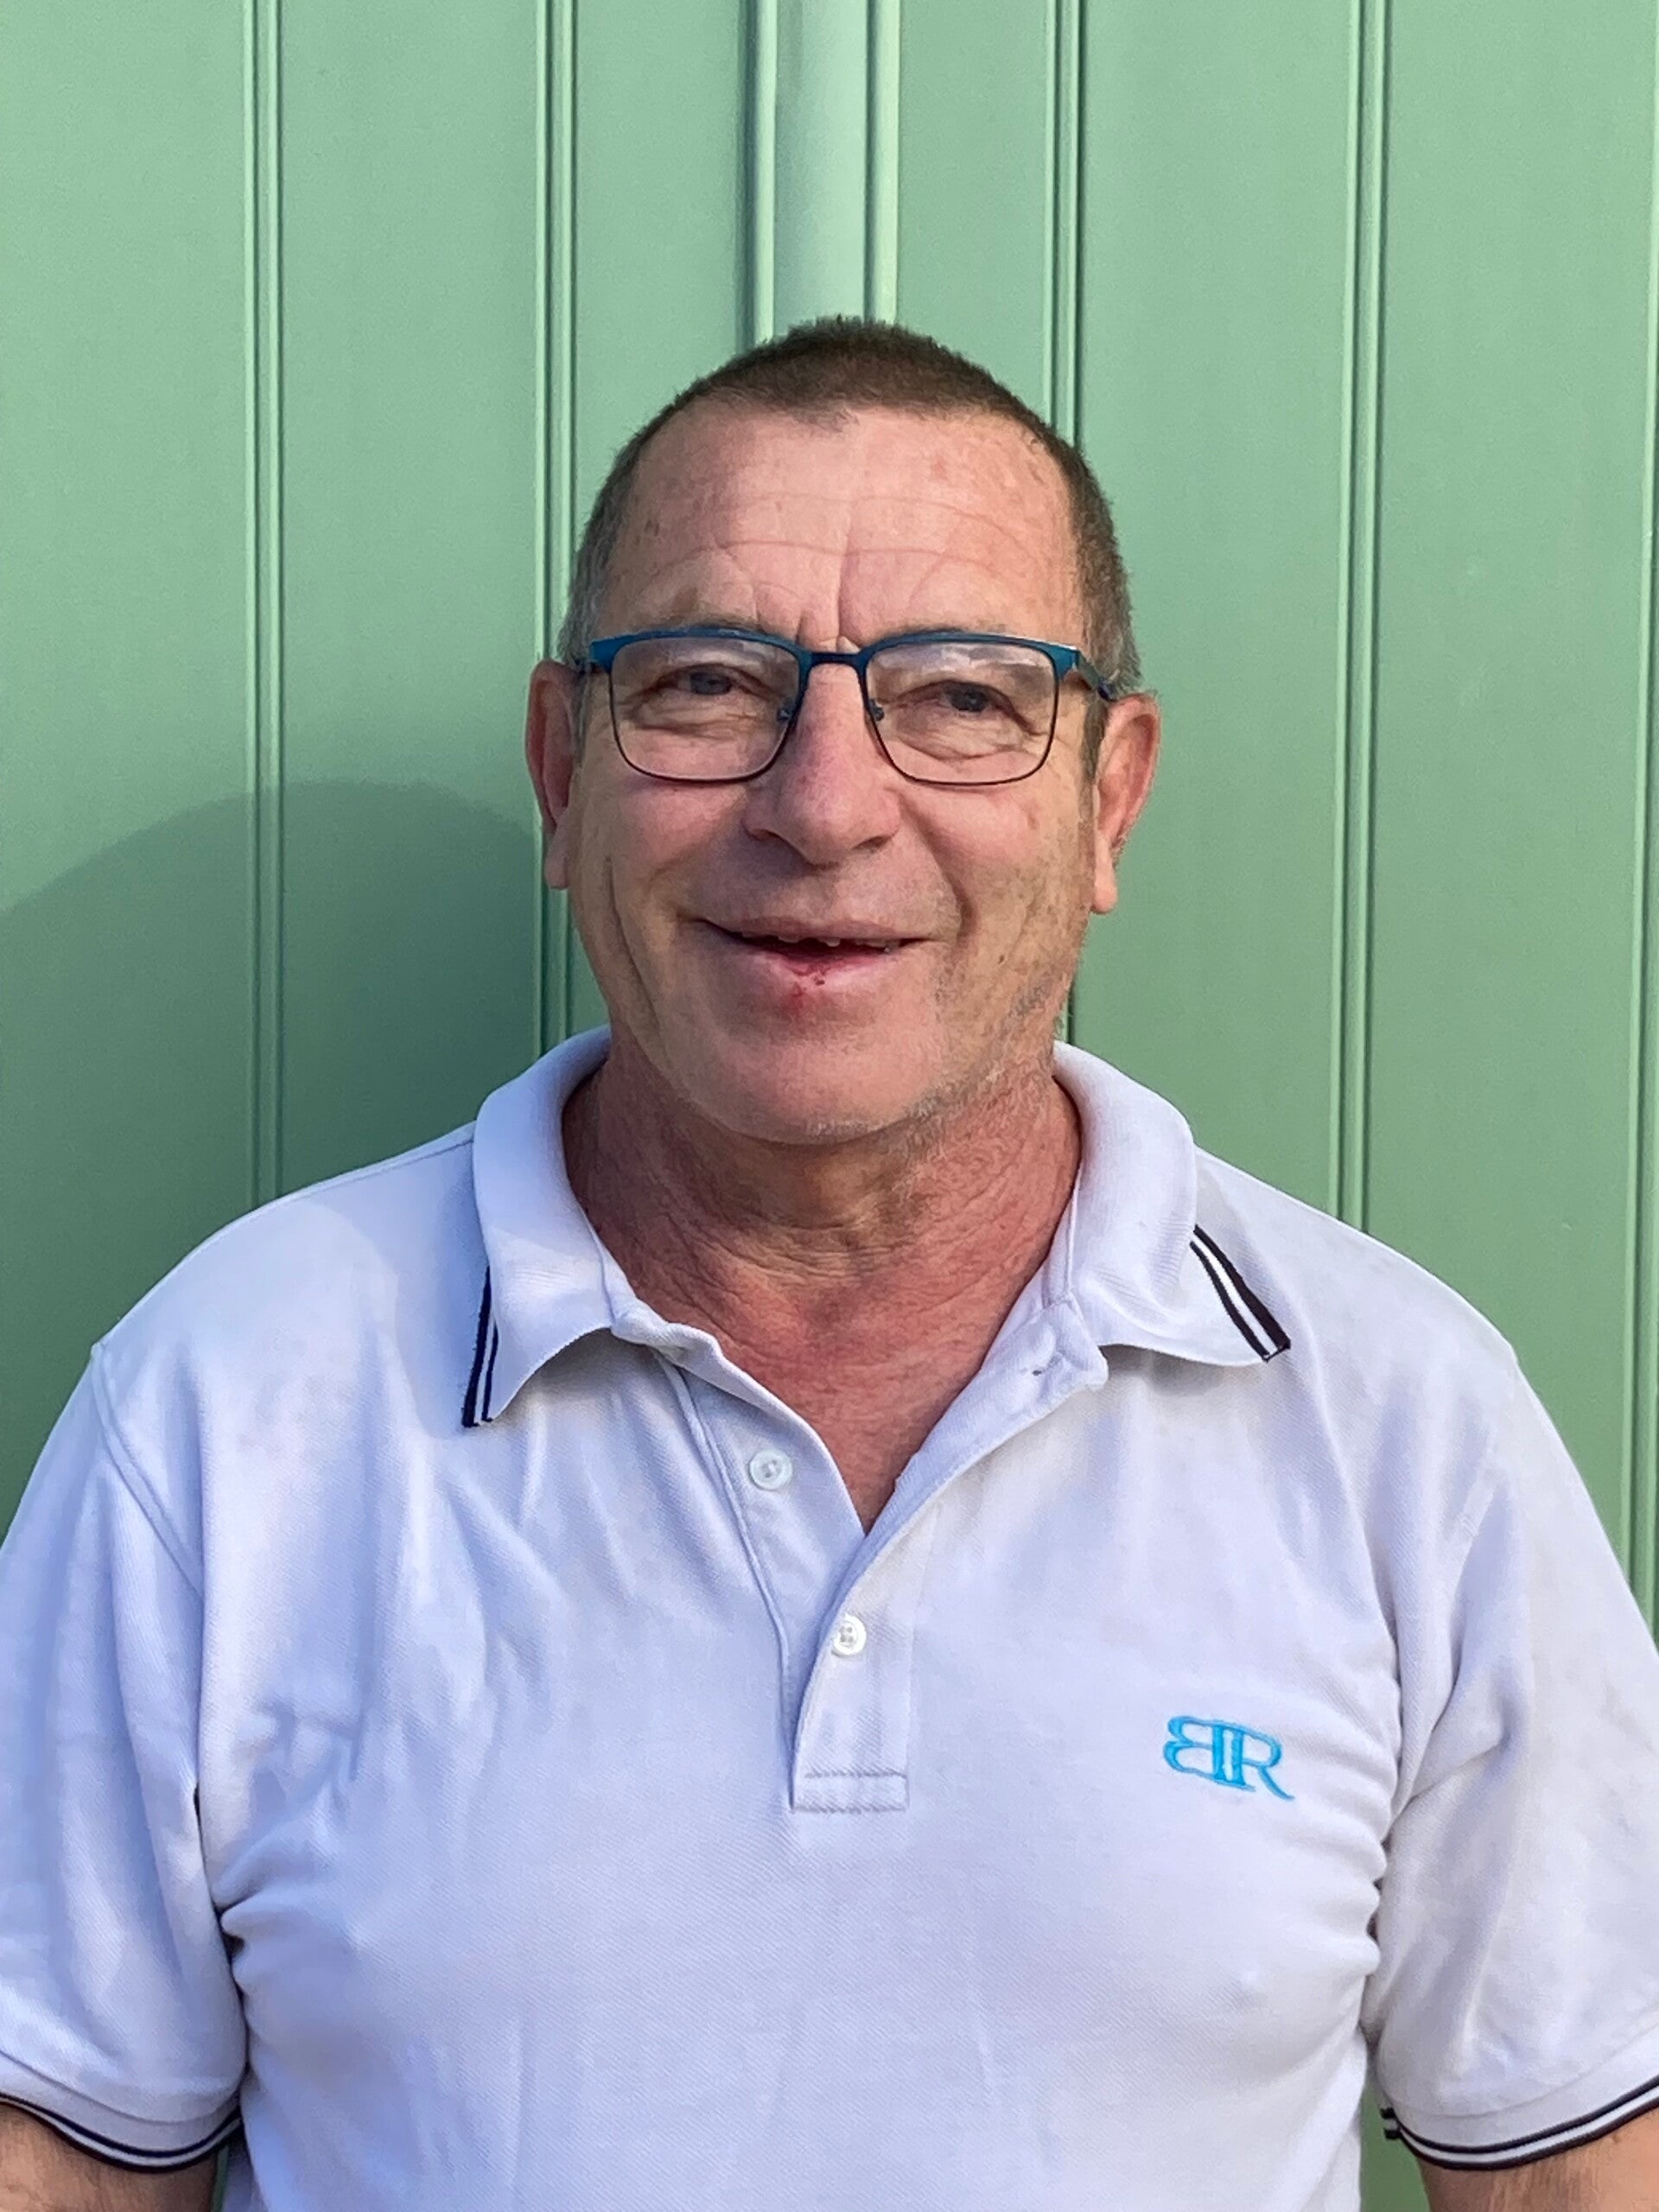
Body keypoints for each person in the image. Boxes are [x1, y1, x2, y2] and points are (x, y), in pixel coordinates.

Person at [2, 317, 1657, 2212]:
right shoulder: (227, 1408)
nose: (825, 802)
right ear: (561, 773)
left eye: (961, 697)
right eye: (711, 684)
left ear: (1110, 798)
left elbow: (1585, 2170)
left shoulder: (1398, 1428)